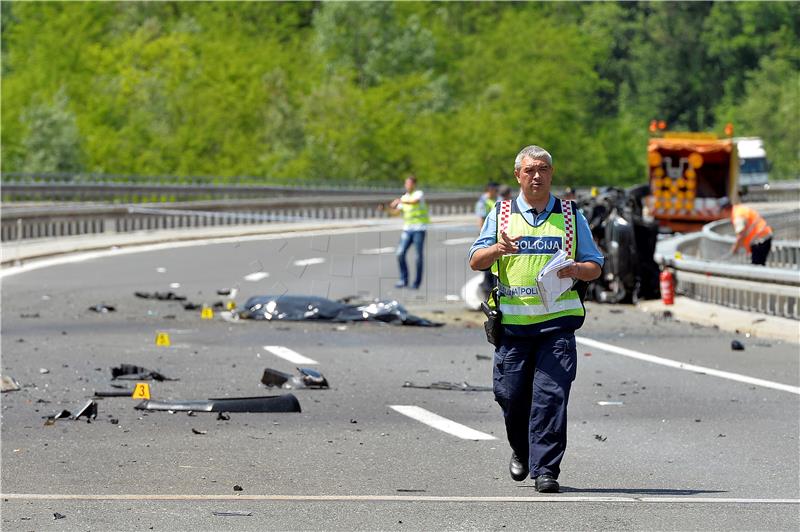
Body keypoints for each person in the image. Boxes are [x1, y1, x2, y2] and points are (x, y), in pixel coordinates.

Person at [468, 145, 603, 493]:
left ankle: (546, 470)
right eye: (529, 170)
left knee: (551, 397)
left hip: (556, 326)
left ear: (551, 173)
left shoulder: (572, 216)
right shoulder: (500, 214)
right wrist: (498, 248)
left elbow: (595, 266)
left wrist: (576, 268)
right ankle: (522, 450)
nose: (537, 176)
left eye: (543, 169)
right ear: (518, 175)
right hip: (513, 327)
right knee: (510, 396)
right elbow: (476, 261)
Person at [390, 175, 429, 289]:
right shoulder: (405, 197)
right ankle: (403, 279)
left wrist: (400, 200)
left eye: (409, 183)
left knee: (418, 256)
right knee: (400, 253)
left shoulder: (418, 194)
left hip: (419, 229)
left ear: (414, 184)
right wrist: (386, 209)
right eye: (406, 183)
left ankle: (416, 283)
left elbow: (413, 202)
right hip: (407, 229)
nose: (407, 185)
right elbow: (396, 212)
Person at [719, 197, 773, 265]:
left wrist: (735, 249)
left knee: (757, 267)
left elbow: (741, 234)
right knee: (759, 264)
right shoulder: (739, 209)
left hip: (759, 241)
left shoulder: (737, 216)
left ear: (724, 210)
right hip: (765, 236)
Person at [476, 182, 500, 295]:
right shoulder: (483, 201)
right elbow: (481, 218)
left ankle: (493, 285)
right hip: (489, 234)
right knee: (488, 262)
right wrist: (482, 235)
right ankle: (487, 286)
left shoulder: (498, 199)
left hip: (498, 233)